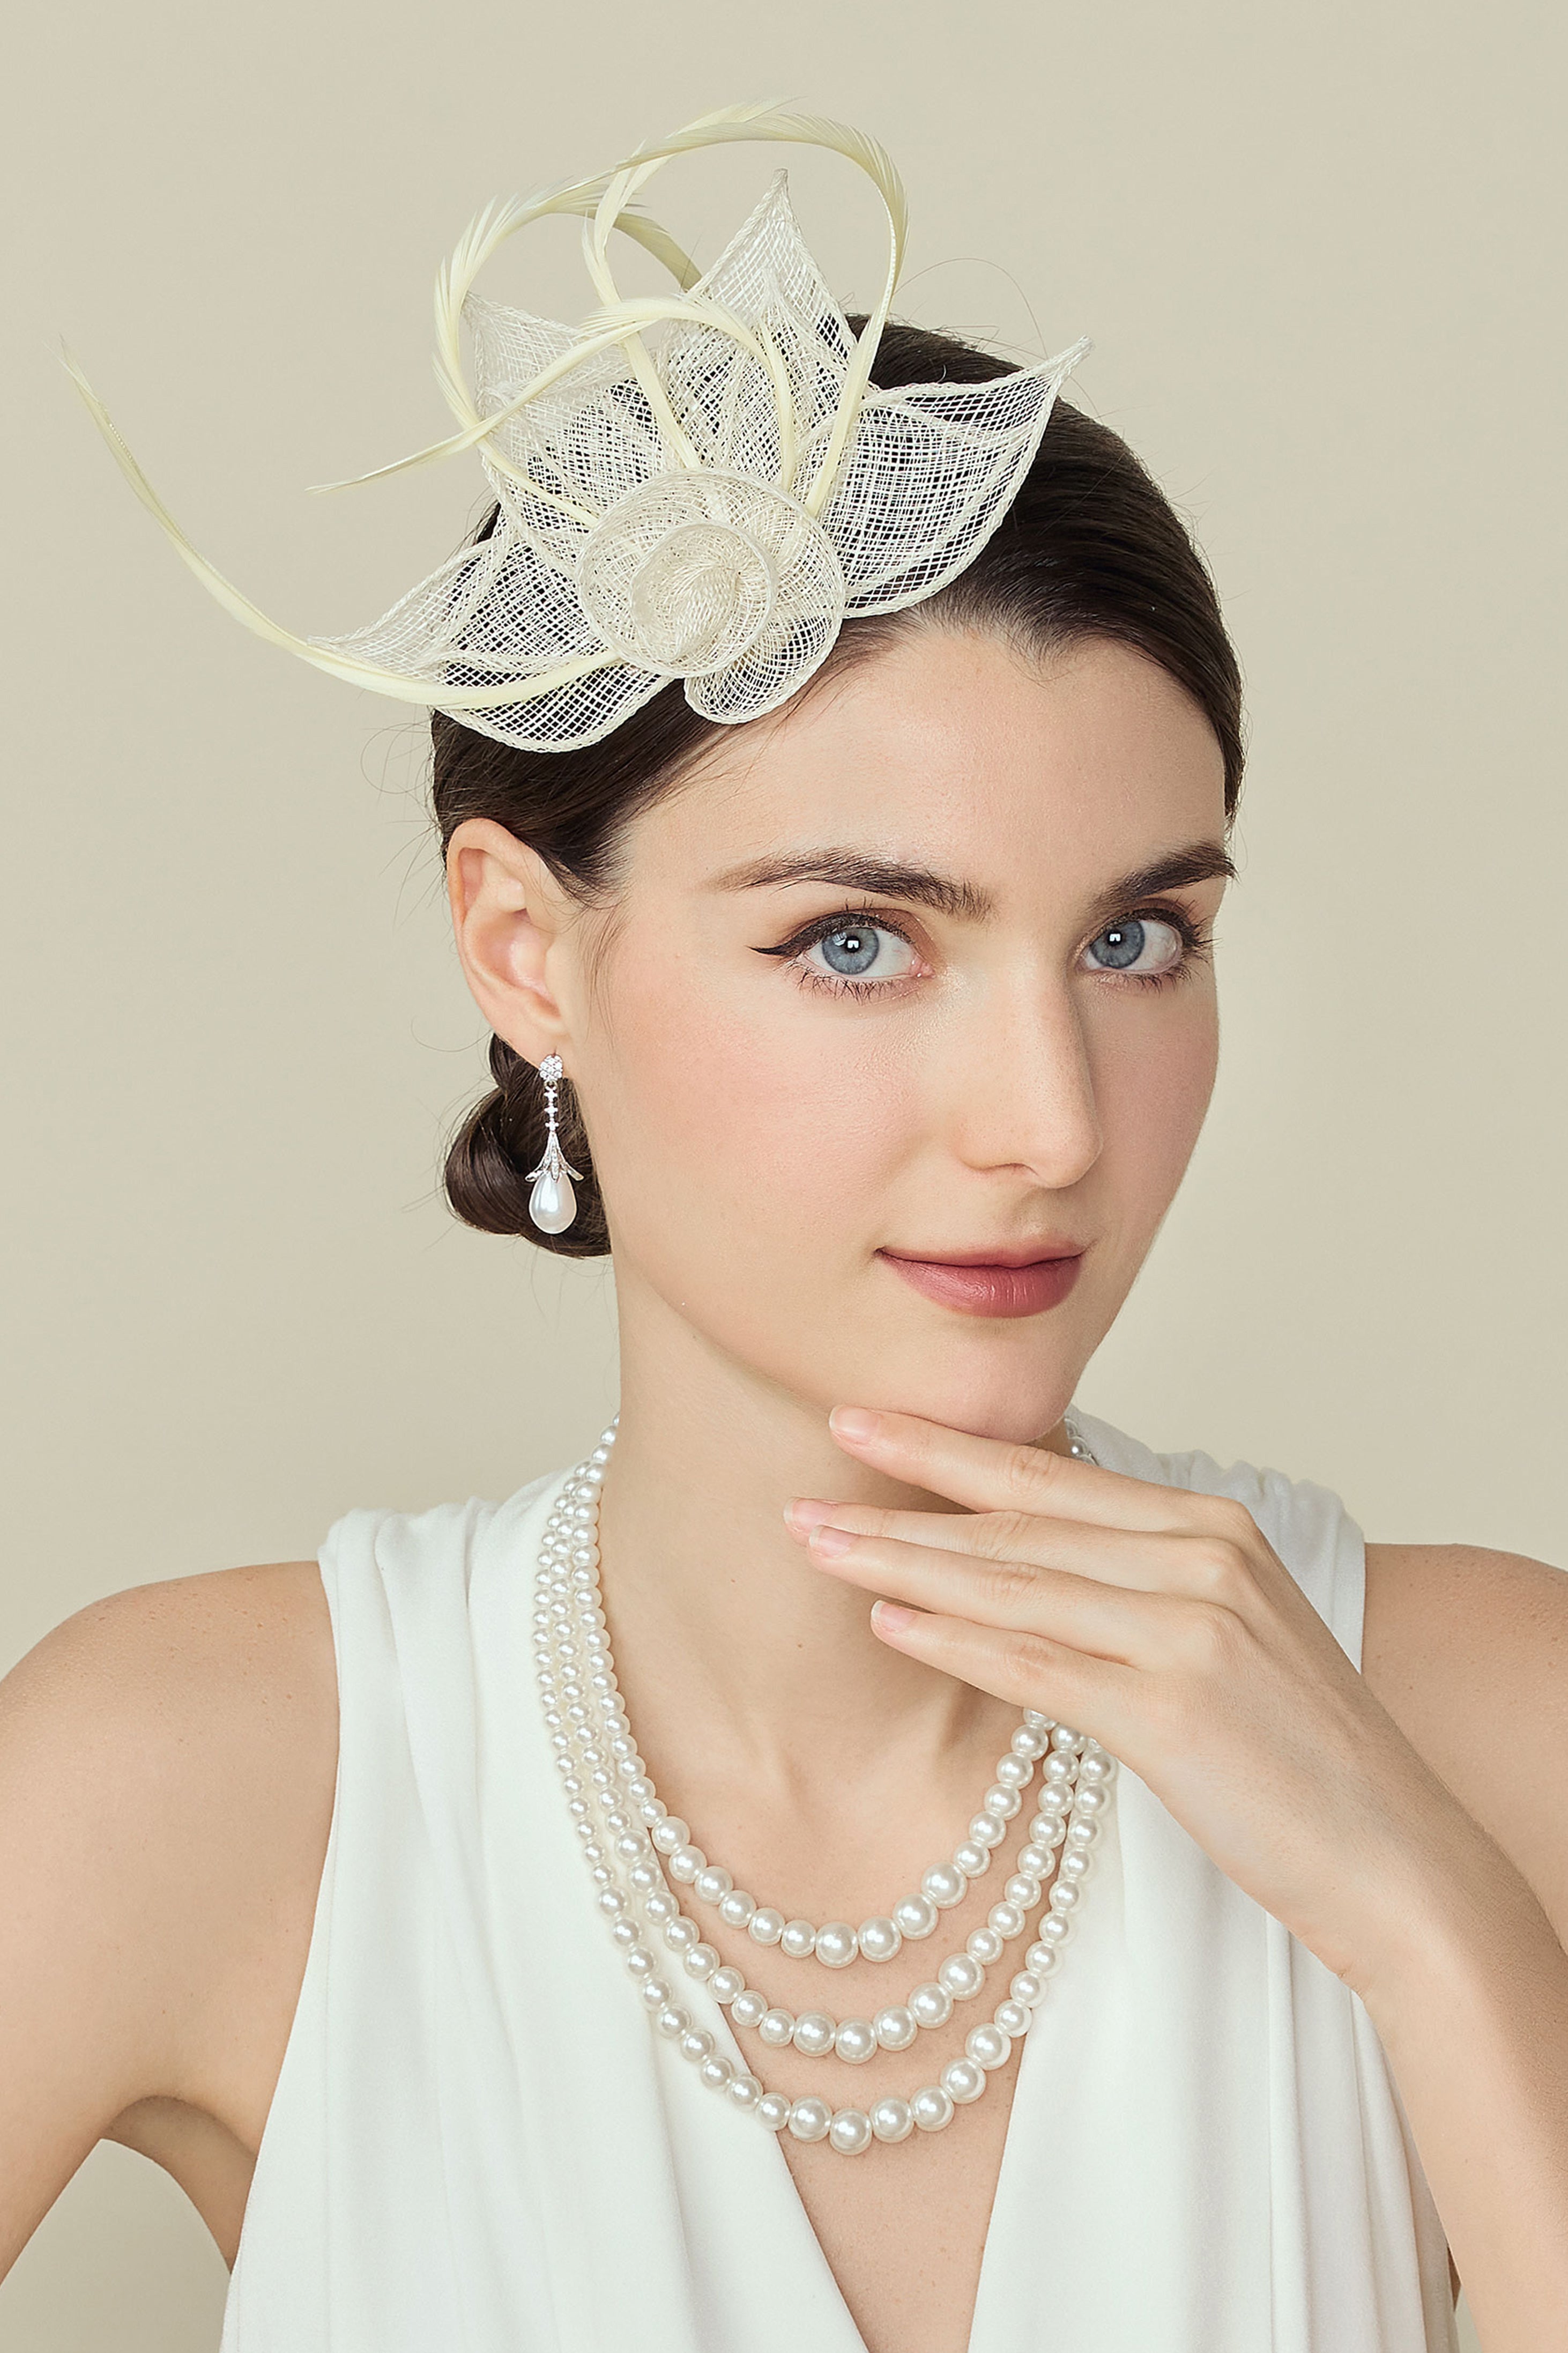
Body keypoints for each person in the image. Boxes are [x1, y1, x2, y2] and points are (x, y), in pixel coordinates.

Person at [4, 107, 1565, 2353]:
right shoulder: (206, 1779)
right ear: (525, 948)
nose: (1050, 1121)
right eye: (857, 942)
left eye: (1136, 940)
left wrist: (1425, 1913)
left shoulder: (1484, 1721)